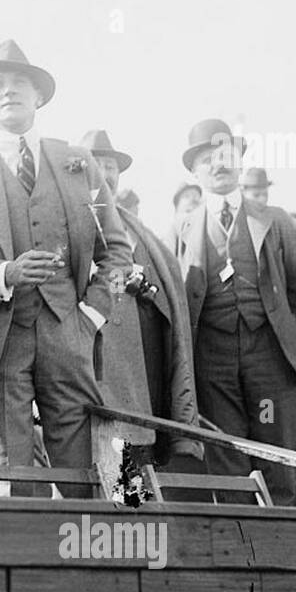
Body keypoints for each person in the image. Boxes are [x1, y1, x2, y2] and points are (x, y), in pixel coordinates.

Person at [0, 40, 132, 488]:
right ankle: (19, 554)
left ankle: (88, 551)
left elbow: (118, 254)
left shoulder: (77, 162)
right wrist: (4, 275)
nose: (9, 91)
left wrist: (93, 314)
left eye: (20, 82)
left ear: (39, 96)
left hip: (70, 333)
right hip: (0, 340)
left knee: (87, 469)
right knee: (12, 471)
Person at [175, 118, 296, 500]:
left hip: (266, 355)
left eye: (225, 154)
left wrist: (275, 330)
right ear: (193, 171)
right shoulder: (181, 228)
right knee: (226, 451)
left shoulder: (275, 219)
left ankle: (279, 541)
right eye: (207, 158)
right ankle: (238, 543)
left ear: (239, 160)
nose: (218, 164)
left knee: (274, 448)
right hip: (213, 360)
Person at [79, 129, 202, 469]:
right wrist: (120, 281)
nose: (105, 174)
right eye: (95, 164)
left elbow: (167, 302)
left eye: (111, 166)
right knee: (84, 472)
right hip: (87, 369)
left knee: (133, 479)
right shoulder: (63, 224)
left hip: (139, 377)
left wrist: (145, 288)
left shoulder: (139, 232)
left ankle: (133, 517)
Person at [170, 181, 203, 255]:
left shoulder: (207, 225)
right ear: (177, 206)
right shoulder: (171, 231)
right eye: (187, 196)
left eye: (195, 196)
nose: (192, 199)